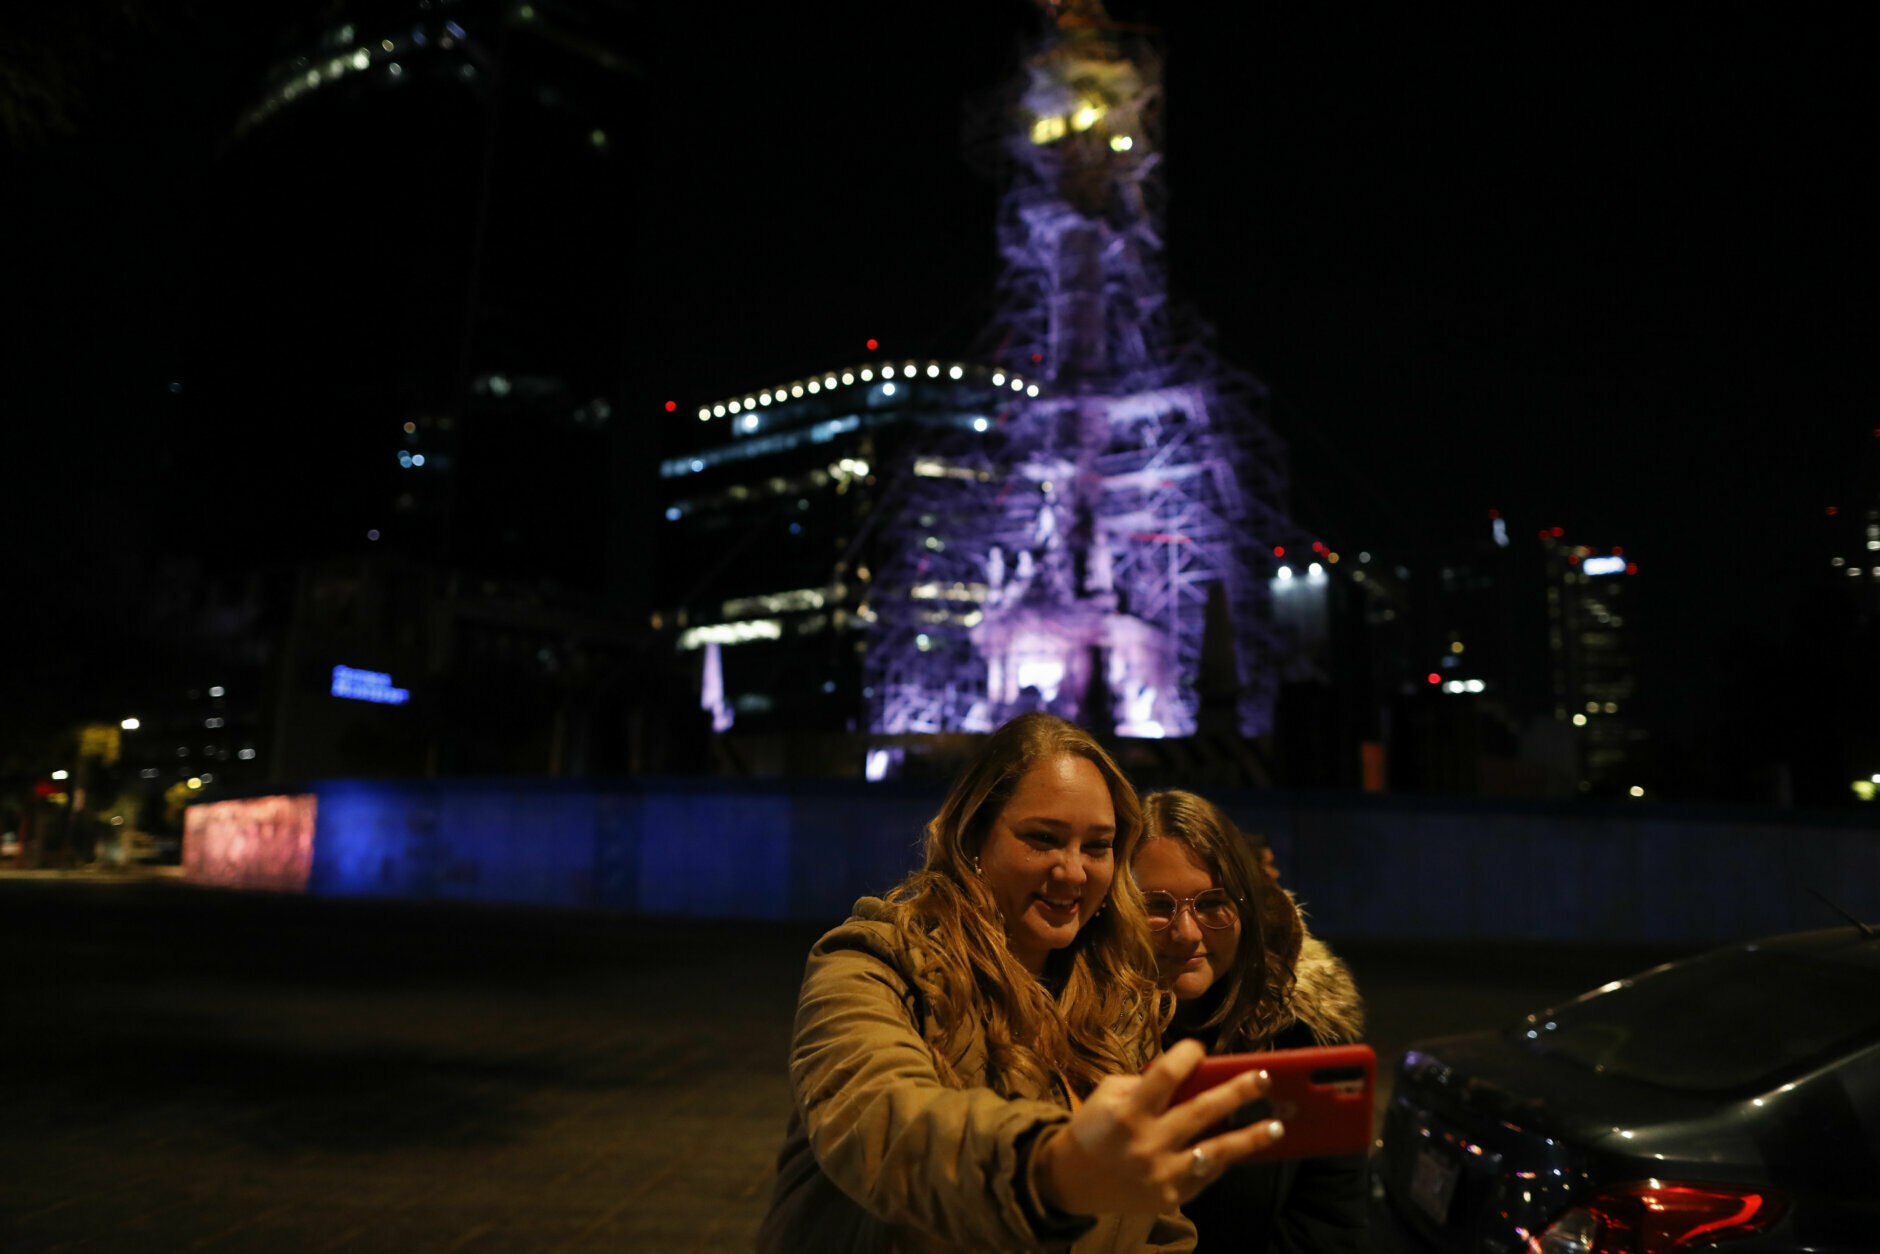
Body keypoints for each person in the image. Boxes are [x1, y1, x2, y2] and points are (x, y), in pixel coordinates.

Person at [758, 714, 1286, 1253]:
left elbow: (1153, 1219)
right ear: (973, 839)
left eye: (1097, 846)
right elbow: (882, 1124)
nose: (1074, 871)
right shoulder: (870, 963)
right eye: (1042, 839)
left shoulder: (1120, 1001)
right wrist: (1050, 1170)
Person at [1132, 791, 1367, 1254]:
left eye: (1212, 902)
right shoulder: (1079, 1033)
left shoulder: (1307, 1036)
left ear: (1246, 908)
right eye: (1156, 905)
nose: (1187, 932)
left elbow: (1330, 1222)